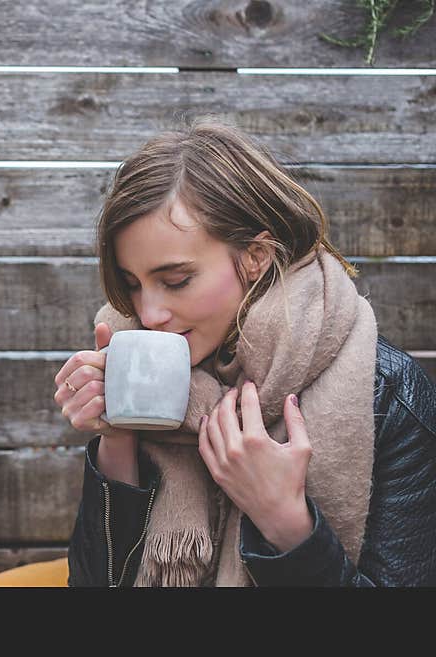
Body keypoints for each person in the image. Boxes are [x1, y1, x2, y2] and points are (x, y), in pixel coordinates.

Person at [49, 116, 436, 587]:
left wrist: (284, 520)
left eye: (176, 281)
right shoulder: (139, 373)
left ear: (256, 256)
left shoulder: (389, 397)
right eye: (132, 284)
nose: (149, 314)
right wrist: (119, 439)